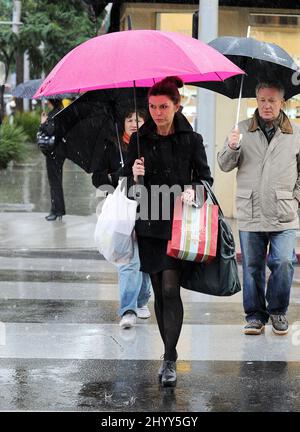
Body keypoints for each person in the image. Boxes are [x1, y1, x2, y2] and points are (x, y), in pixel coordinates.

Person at [123, 76, 213, 387]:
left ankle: (170, 357)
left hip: (178, 224)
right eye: (152, 107)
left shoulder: (192, 139)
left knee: (170, 289)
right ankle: (168, 353)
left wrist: (195, 193)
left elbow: (205, 181)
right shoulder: (138, 141)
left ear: (177, 105)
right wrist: (134, 179)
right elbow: (129, 194)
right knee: (159, 291)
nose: (157, 112)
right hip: (149, 223)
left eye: (163, 106)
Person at [217, 81, 300, 336]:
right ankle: (254, 315)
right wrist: (232, 147)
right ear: (256, 100)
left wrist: (295, 198)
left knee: (284, 261)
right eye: (262, 100)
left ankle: (277, 311)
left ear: (282, 103)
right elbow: (223, 165)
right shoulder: (240, 130)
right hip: (251, 210)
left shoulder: (295, 133)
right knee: (252, 267)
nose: (266, 105)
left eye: (272, 101)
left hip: (283, 211)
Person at [92, 109, 152, 329]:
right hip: (121, 210)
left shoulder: (151, 144)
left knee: (145, 258)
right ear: (123, 123)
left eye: (139, 119)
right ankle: (128, 308)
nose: (134, 123)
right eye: (129, 119)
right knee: (128, 260)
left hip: (150, 208)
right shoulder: (111, 145)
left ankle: (142, 299)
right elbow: (98, 179)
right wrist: (120, 177)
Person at [38, 99, 66, 221]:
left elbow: (50, 130)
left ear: (51, 102)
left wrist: (43, 123)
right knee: (56, 181)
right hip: (59, 152)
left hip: (54, 152)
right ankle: (57, 210)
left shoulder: (56, 113)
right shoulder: (62, 112)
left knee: (54, 182)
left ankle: (57, 210)